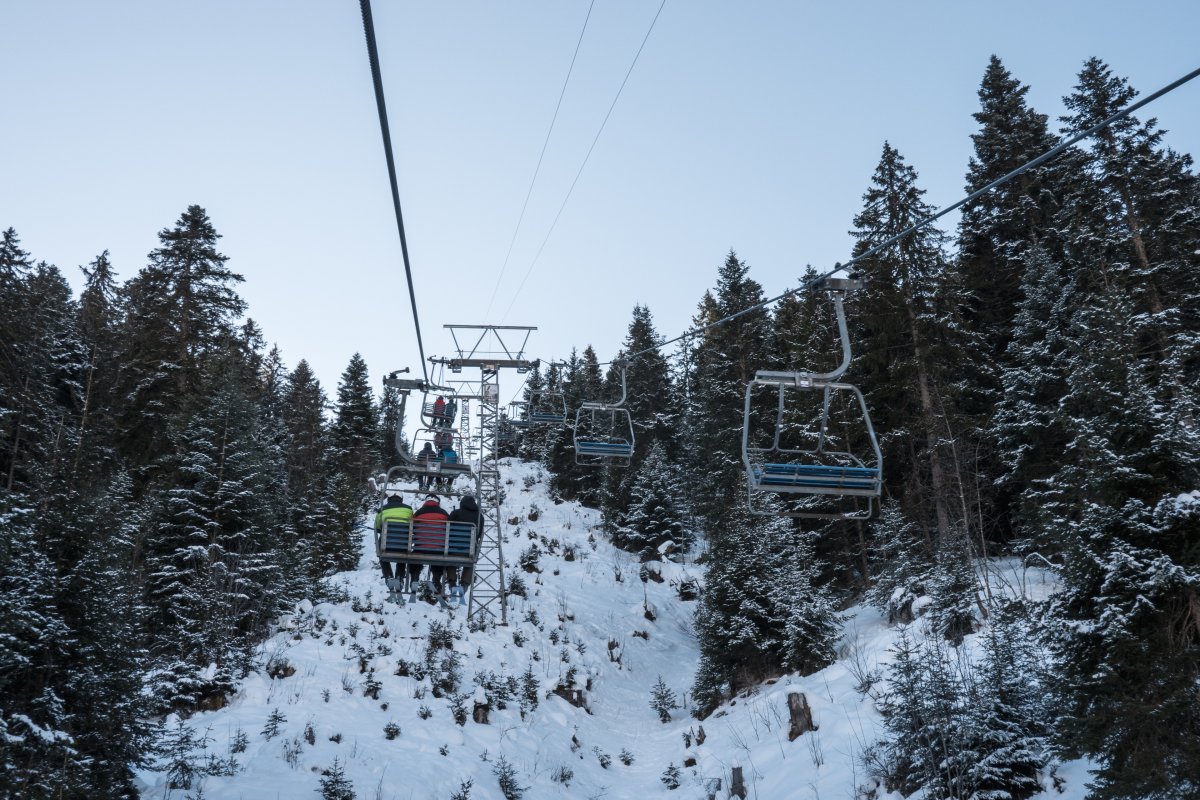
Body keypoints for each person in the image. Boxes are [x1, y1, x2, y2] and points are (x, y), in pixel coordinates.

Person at [374, 494, 413, 601]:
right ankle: (399, 576)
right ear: (401, 499)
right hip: (404, 544)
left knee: (382, 556)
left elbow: (378, 527)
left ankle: (388, 576)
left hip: (386, 544)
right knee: (403, 556)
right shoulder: (408, 509)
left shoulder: (381, 509)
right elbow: (412, 524)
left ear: (389, 499)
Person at [412, 494, 451, 601]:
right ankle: (436, 579)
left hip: (420, 549)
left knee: (415, 556)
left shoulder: (418, 513)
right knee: (438, 557)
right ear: (437, 502)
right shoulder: (444, 513)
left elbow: (412, 527)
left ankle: (414, 576)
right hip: (438, 549)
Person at [447, 494, 484, 605]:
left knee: (449, 560)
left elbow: (447, 529)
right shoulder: (479, 517)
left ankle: (452, 583)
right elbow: (479, 534)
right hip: (469, 550)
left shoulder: (455, 513)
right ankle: (465, 584)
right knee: (470, 563)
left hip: (452, 549)